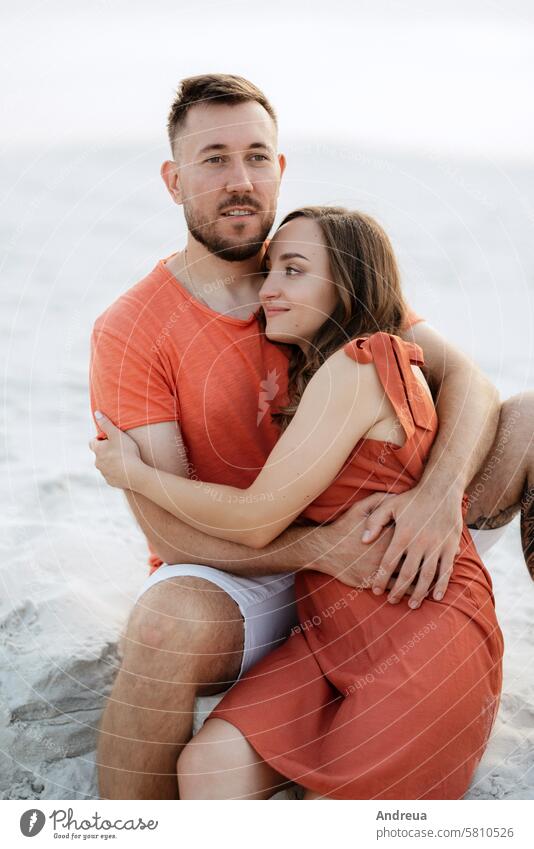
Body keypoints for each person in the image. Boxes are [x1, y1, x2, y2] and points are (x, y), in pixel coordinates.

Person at [89, 74, 533, 800]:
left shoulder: (313, 270)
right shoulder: (135, 326)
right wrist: (310, 549)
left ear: (280, 167)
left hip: (382, 529)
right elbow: (167, 530)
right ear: (174, 181)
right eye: (214, 159)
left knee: (529, 420)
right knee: (165, 623)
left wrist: (435, 496)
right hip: (250, 564)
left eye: (257, 156)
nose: (241, 180)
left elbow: (470, 383)